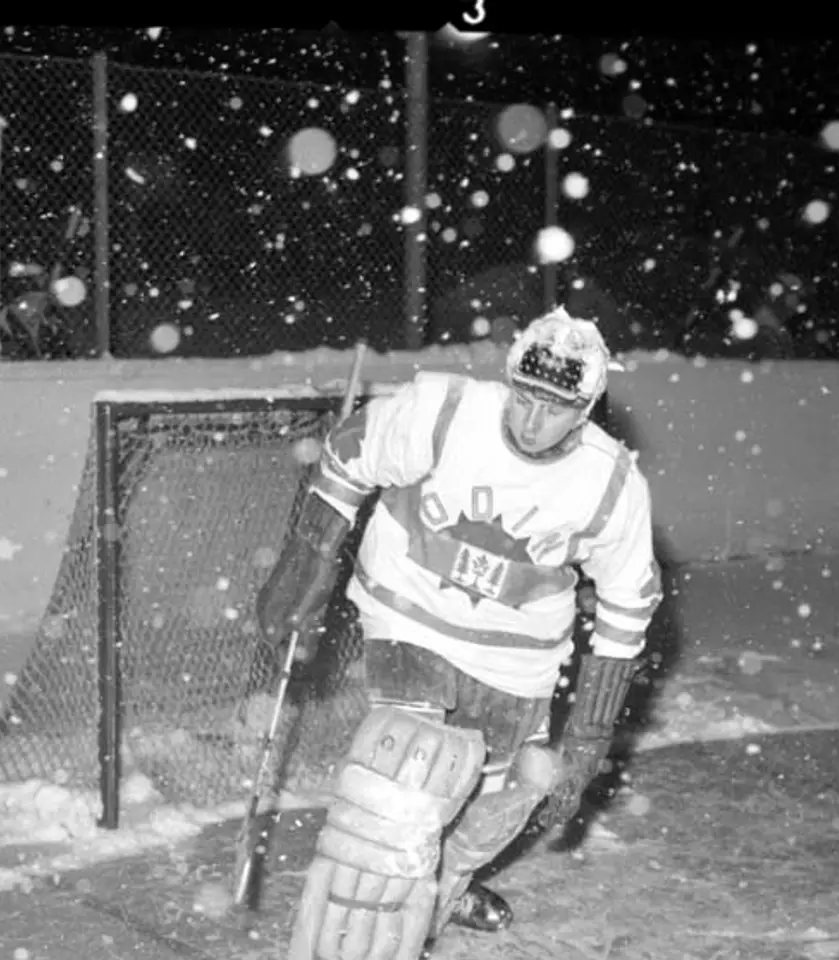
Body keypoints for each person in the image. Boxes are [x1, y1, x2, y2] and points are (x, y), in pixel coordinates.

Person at [257, 307, 663, 959]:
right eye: (526, 397)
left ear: (585, 408)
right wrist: (306, 558)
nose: (533, 420)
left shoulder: (610, 484)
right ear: (509, 380)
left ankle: (442, 884)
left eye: (555, 406)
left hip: (518, 656)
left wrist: (587, 738)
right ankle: (377, 913)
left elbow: (628, 605)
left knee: (503, 797)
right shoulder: (442, 411)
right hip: (407, 613)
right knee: (408, 770)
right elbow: (348, 457)